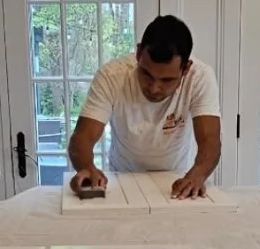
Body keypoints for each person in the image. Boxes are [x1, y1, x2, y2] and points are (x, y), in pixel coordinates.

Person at [68, 15, 222, 199]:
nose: (154, 88)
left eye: (167, 80)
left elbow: (210, 141)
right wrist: (86, 167)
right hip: (122, 180)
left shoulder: (200, 77)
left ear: (186, 69)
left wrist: (198, 175)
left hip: (178, 179)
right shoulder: (112, 76)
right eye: (146, 74)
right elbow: (82, 137)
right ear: (139, 53)